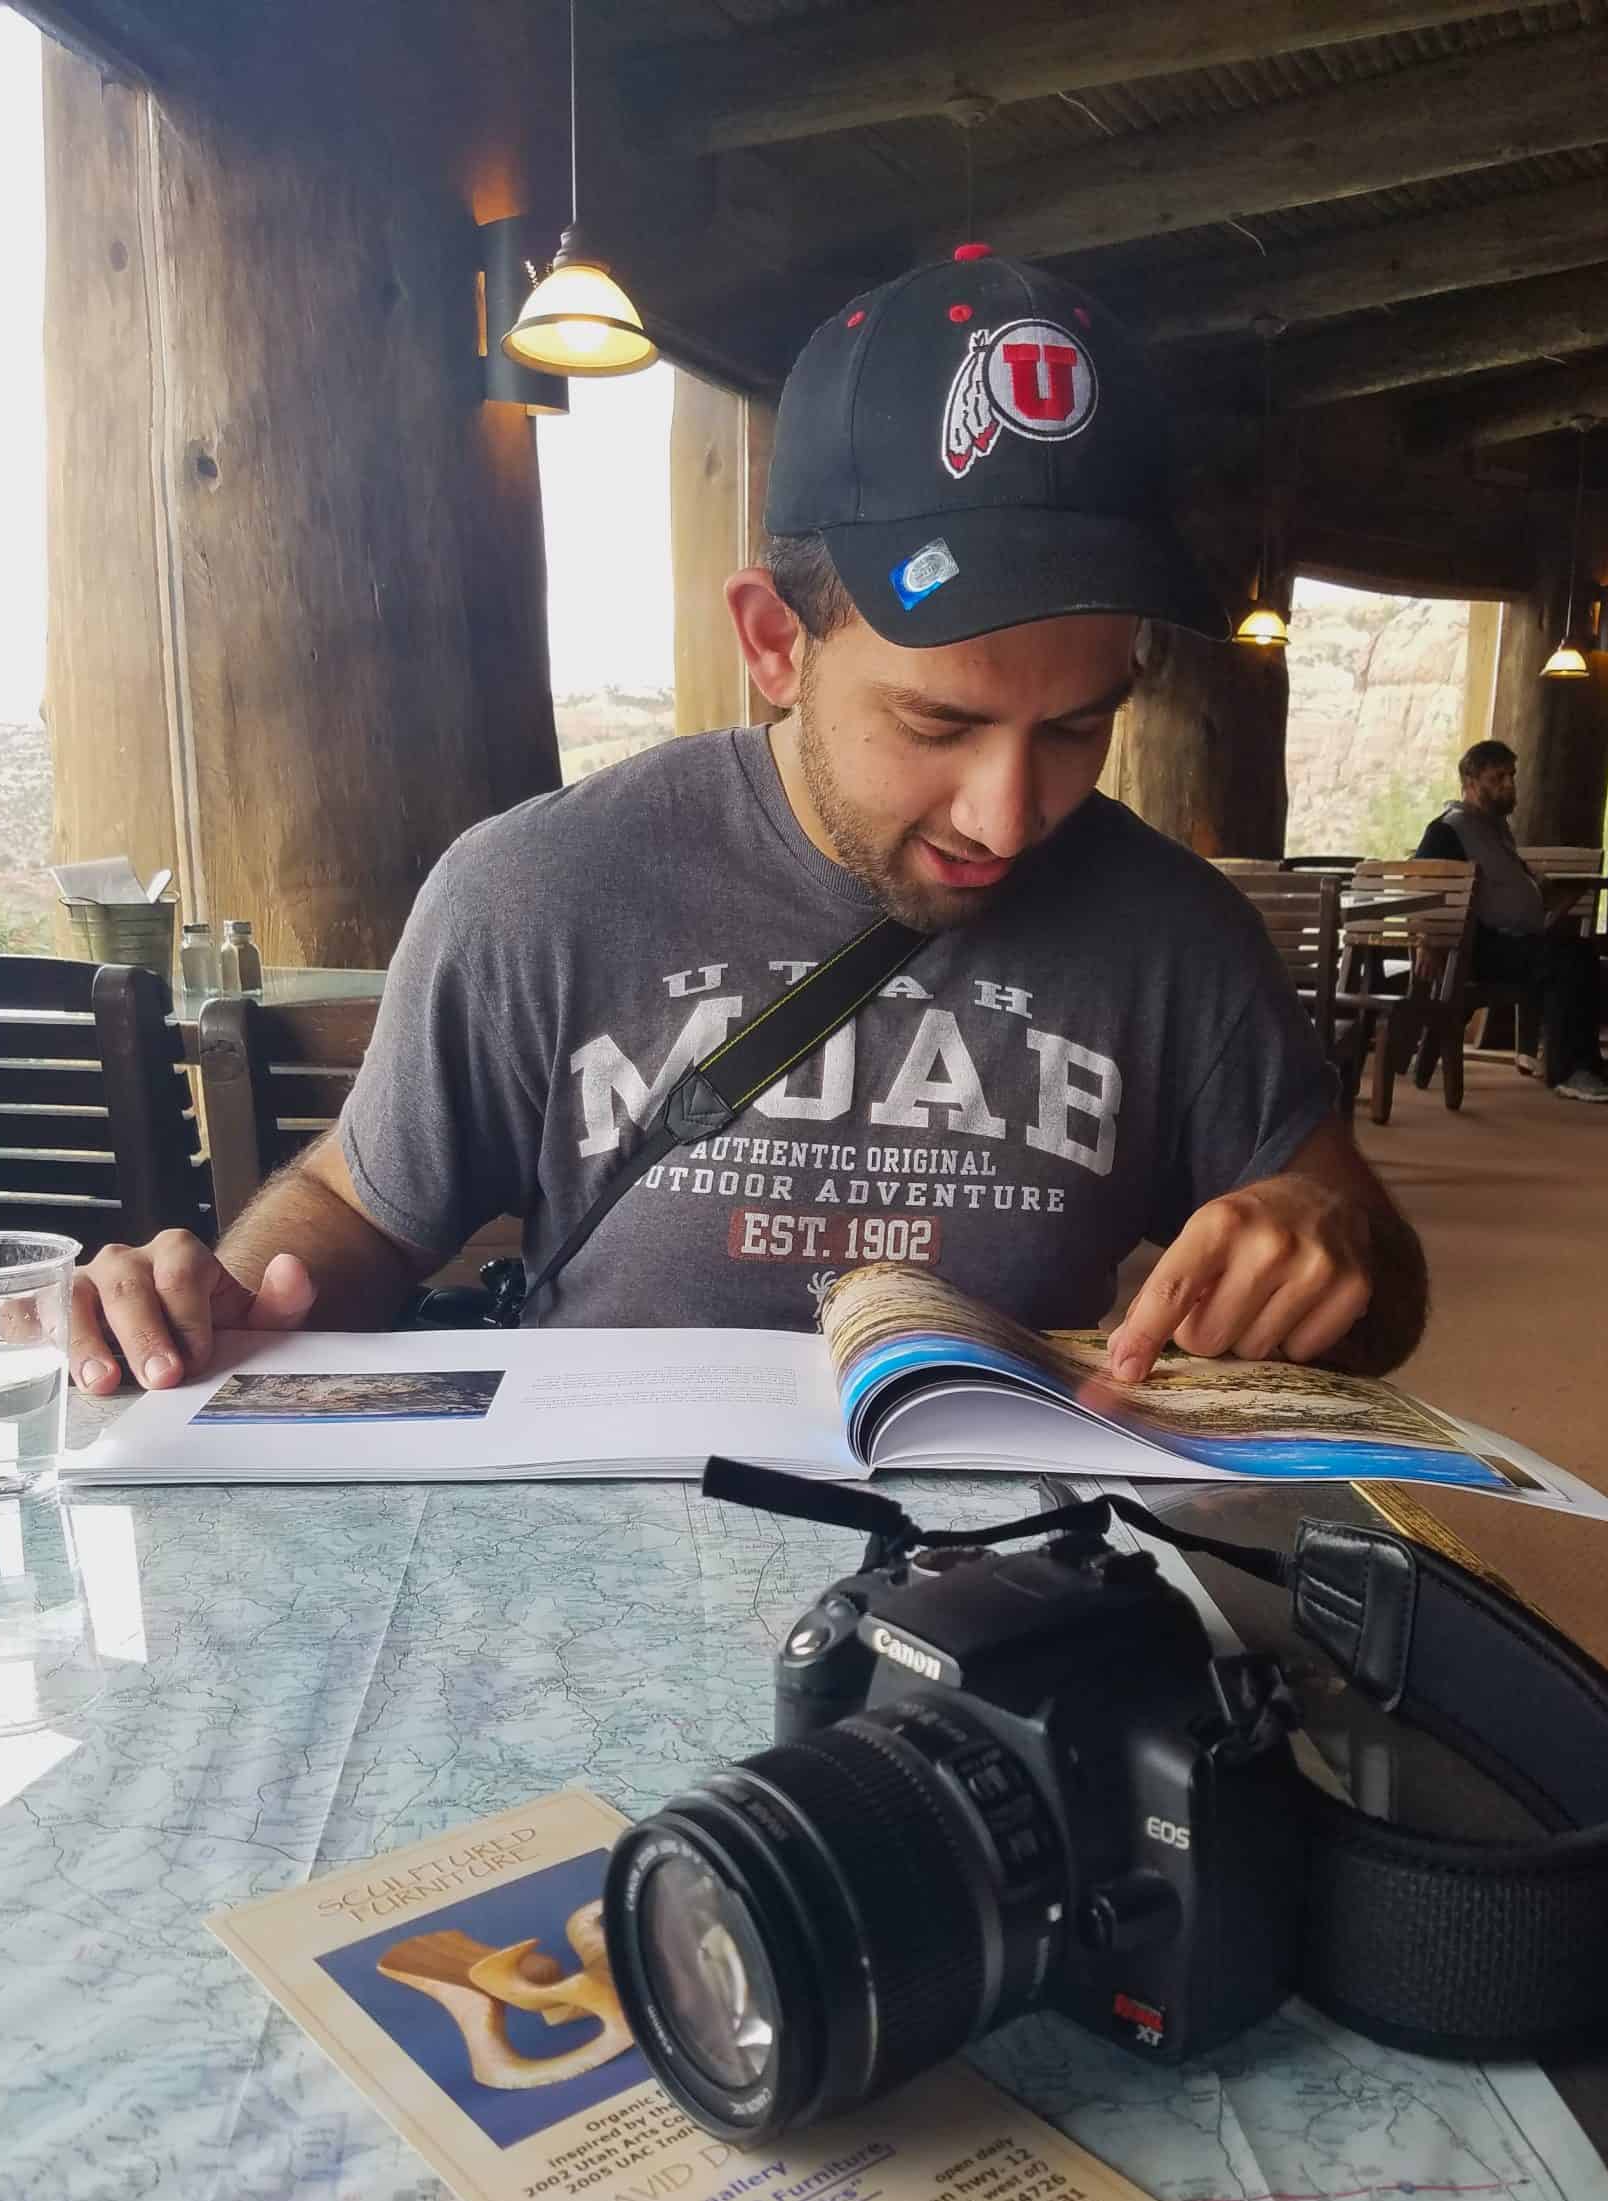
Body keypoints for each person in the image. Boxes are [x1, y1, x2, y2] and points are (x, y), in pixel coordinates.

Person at [70, 245, 1428, 1395]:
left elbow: (1377, 1287)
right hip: (599, 1570)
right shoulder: (535, 889)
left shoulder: (1177, 935)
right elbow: (359, 1208)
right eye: (939, 725)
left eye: (1077, 726)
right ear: (776, 644)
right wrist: (211, 1301)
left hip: (1005, 1608)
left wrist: (1332, 1244)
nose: (1011, 817)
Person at [1415, 741, 1608, 1104]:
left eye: (1511, 776)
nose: (1509, 786)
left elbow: (1515, 878)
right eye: (1497, 778)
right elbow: (1423, 884)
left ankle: (1583, 1059)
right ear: (1470, 781)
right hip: (1479, 947)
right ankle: (1567, 1073)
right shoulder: (1448, 830)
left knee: (1581, 950)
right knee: (1565, 960)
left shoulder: (1494, 829)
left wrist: (1538, 886)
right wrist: (1425, 938)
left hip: (1514, 939)